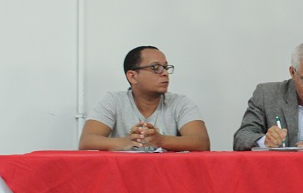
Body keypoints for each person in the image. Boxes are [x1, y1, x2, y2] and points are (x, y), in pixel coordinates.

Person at [79, 46, 210, 151]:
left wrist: (161, 140)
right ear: (132, 76)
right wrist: (126, 142)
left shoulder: (180, 103)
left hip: (167, 174)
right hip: (123, 174)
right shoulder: (113, 101)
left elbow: (202, 142)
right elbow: (87, 141)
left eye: (166, 67)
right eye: (156, 68)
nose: (165, 73)